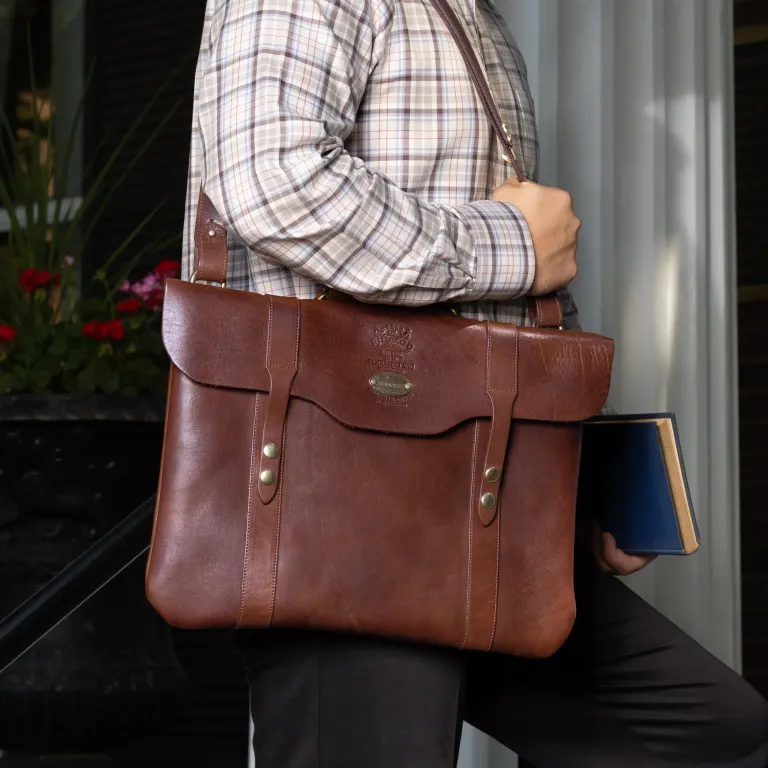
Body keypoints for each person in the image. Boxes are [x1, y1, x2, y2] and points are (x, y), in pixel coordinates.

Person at [181, 1, 768, 765]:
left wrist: (576, 470)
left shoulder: (471, 15)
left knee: (709, 736)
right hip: (341, 511)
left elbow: (517, 283)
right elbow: (271, 181)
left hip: (483, 505)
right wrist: (511, 245)